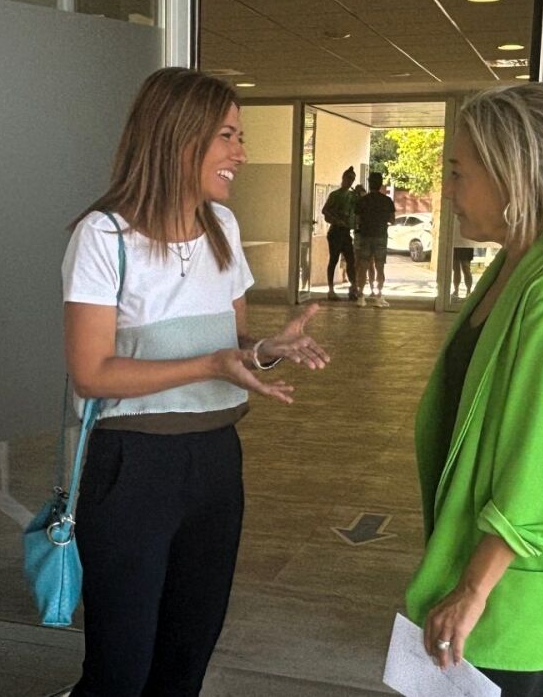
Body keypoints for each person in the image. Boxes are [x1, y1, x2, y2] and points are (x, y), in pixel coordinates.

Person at [62, 67, 332, 696]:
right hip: (132, 467)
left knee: (186, 657)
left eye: (241, 137)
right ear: (178, 138)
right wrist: (210, 365)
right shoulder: (103, 236)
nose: (241, 153)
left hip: (215, 461)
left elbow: (231, 344)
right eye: (227, 136)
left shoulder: (222, 229)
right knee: (120, 671)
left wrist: (264, 350)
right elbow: (91, 373)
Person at [408, 82, 543, 697]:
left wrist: (472, 589)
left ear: (514, 176)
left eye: (459, 172)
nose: (449, 190)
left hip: (513, 580)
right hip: (485, 565)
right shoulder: (516, 266)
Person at [354, 170, 396, 306]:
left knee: (363, 266)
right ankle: (378, 296)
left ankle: (361, 296)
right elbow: (392, 220)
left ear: (369, 183)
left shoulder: (362, 201)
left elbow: (357, 220)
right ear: (381, 184)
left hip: (365, 236)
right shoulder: (387, 201)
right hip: (381, 236)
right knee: (380, 266)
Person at [322, 167, 360, 300]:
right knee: (333, 260)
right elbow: (325, 211)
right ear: (343, 178)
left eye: (353, 179)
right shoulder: (335, 195)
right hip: (336, 231)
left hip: (346, 232)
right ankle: (331, 290)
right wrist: (337, 220)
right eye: (349, 178)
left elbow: (359, 207)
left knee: (351, 260)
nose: (350, 181)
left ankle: (353, 287)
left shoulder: (352, 196)